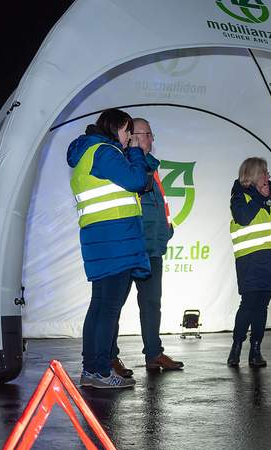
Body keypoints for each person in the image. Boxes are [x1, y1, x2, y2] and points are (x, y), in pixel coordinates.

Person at [67, 108, 149, 389]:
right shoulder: (104, 152)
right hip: (116, 242)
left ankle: (92, 370)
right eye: (128, 131)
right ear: (117, 128)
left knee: (100, 306)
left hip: (101, 241)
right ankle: (100, 371)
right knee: (108, 308)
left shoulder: (87, 154)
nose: (129, 138)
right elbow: (138, 180)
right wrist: (136, 153)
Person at [109, 118, 184, 377]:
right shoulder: (126, 165)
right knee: (114, 304)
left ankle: (154, 354)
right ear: (135, 137)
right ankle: (109, 358)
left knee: (152, 303)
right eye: (149, 134)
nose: (152, 139)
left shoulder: (151, 166)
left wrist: (166, 230)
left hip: (152, 248)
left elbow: (157, 207)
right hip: (131, 247)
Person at [227, 157, 271, 368]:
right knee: (248, 305)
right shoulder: (239, 196)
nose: (268, 176)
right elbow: (243, 218)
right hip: (251, 261)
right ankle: (236, 346)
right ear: (253, 175)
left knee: (262, 307)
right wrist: (261, 199)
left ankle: (256, 349)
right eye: (264, 173)